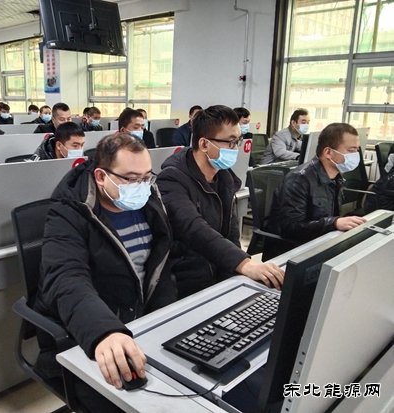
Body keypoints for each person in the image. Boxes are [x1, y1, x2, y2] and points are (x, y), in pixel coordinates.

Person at [34, 133, 176, 412]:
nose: (141, 186)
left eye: (146, 177)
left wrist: (166, 319)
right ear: (101, 176)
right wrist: (104, 332)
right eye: (131, 178)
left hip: (143, 323)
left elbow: (162, 263)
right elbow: (66, 278)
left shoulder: (149, 200)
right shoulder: (68, 212)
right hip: (89, 331)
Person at [157, 105, 284, 299]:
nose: (236, 149)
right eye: (231, 142)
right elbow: (194, 228)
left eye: (238, 141)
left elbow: (231, 232)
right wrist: (243, 263)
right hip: (185, 284)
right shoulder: (171, 179)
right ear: (204, 144)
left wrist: (240, 271)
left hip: (220, 274)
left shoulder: (224, 177)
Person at [267, 123, 366, 256]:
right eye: (351, 150)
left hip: (319, 242)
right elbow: (292, 228)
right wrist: (334, 223)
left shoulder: (336, 178)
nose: (356, 155)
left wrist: (336, 223)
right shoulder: (299, 179)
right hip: (293, 251)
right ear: (328, 152)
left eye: (357, 150)